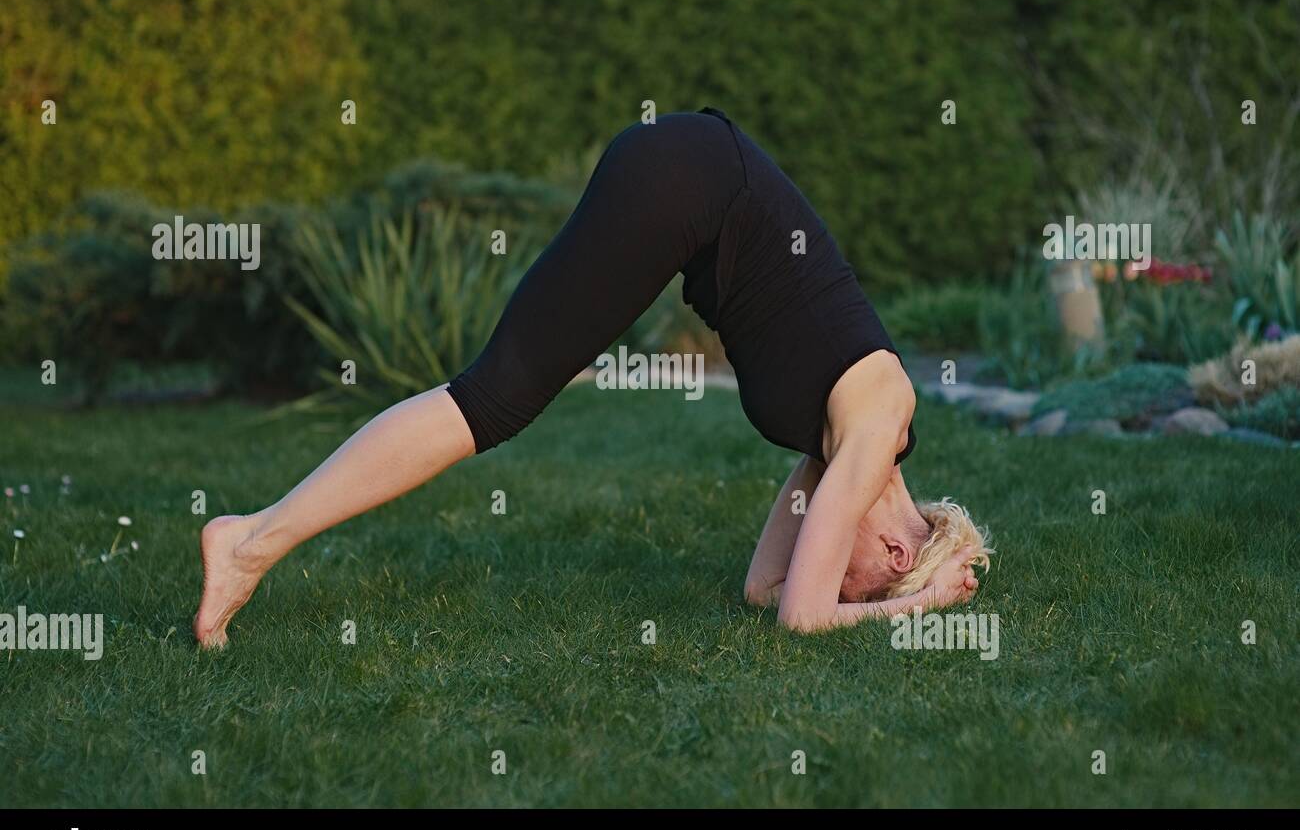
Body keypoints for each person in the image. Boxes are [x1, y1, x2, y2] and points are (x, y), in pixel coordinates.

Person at [195, 107, 991, 648]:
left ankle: (254, 537)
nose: (844, 587)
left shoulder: (850, 447)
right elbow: (802, 616)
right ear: (892, 548)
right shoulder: (875, 428)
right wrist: (916, 607)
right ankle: (251, 541)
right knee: (492, 399)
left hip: (689, 174)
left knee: (495, 394)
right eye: (867, 587)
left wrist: (883, 594)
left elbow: (765, 591)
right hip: (690, 180)